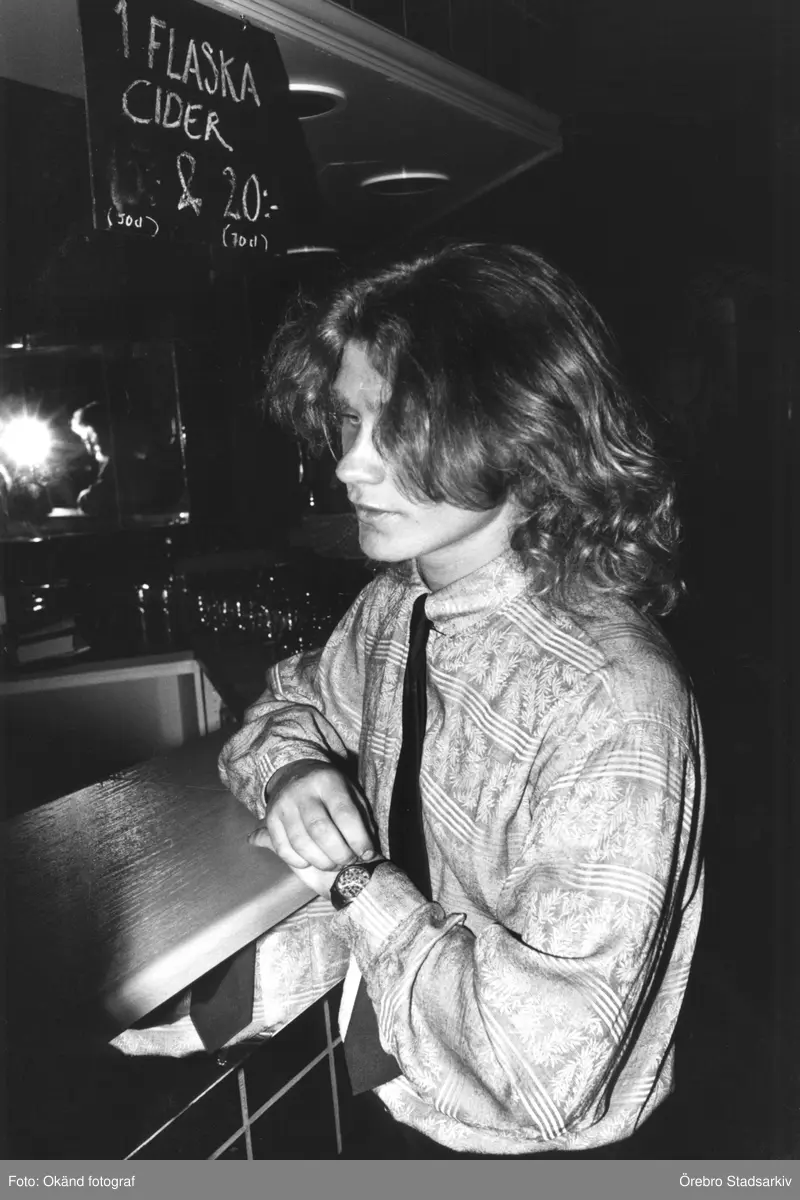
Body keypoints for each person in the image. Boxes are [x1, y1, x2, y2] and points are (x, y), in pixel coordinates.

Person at [116, 243, 705, 1158]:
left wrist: (356, 883)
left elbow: (544, 1079)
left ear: (523, 427)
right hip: (397, 1089)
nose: (350, 467)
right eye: (350, 422)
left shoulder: (612, 703)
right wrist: (295, 772)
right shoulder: (399, 601)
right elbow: (284, 709)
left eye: (402, 427)